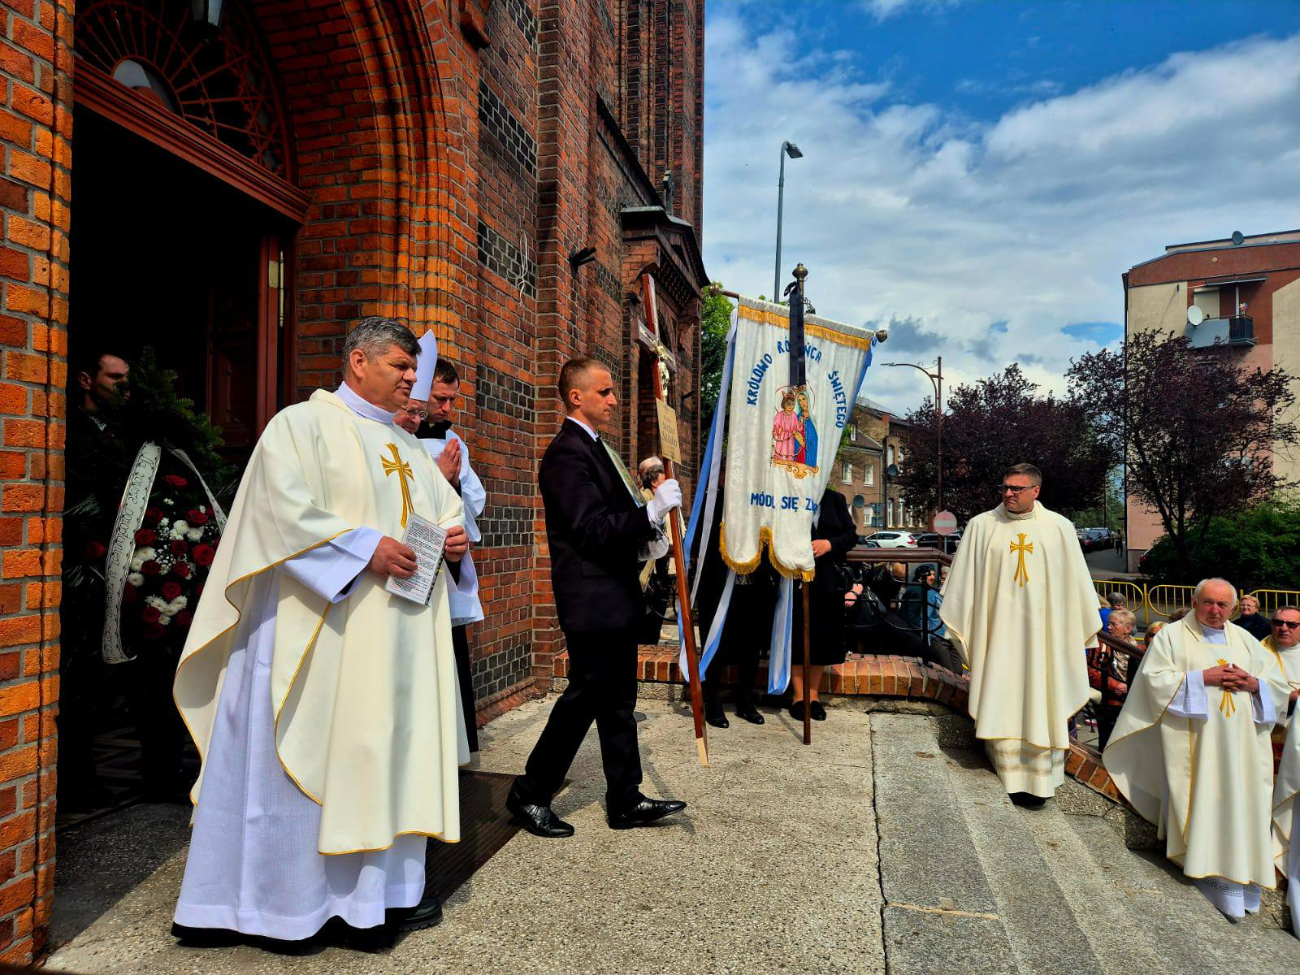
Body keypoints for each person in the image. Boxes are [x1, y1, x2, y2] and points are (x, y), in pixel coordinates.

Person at [172, 318, 470, 945]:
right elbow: (278, 511)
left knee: (381, 757)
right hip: (316, 630)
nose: (411, 379)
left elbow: (444, 513)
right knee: (307, 756)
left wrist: (454, 540)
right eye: (400, 367)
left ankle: (378, 900)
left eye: (413, 369)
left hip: (394, 641)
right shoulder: (300, 425)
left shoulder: (409, 447)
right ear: (358, 361)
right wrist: (364, 549)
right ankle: (279, 907)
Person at [506, 359, 686, 837]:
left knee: (617, 700)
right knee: (585, 697)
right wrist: (651, 512)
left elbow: (615, 521)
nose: (613, 399)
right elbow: (591, 529)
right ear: (576, 396)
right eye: (604, 391)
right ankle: (529, 792)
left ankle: (625, 798)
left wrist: (646, 534)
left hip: (614, 594)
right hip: (590, 598)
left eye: (612, 391)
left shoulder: (599, 448)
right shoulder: (567, 454)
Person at [1105, 578, 1286, 920]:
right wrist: (1203, 678)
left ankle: (1243, 884)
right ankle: (1205, 869)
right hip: (1196, 745)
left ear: (1233, 608)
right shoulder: (1172, 637)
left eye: (1223, 605)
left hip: (1243, 748)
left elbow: (1276, 686)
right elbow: (1153, 682)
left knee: (1243, 805)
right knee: (1204, 799)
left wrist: (1253, 684)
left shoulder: (1246, 640)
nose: (1215, 611)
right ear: (1194, 601)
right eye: (1208, 603)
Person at [939, 463, 1100, 807]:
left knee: (1043, 697)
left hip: (1045, 638)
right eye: (1005, 487)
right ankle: (1007, 773)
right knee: (1003, 694)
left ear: (1035, 491)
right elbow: (962, 586)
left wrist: (1071, 633)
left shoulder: (1059, 528)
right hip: (997, 635)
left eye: (1017, 488)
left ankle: (1040, 781)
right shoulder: (982, 526)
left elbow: (1076, 589)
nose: (1009, 493)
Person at [398, 353, 488, 755]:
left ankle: (453, 743)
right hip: (401, 559)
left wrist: (452, 484)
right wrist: (439, 480)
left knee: (448, 651)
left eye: (452, 400)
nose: (447, 409)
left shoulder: (454, 442)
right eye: (440, 399)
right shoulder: (391, 435)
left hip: (442, 562)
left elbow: (476, 502)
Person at [789, 487, 855, 722]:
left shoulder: (835, 499)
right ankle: (798, 697)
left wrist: (829, 544)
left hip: (827, 580)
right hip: (793, 577)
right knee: (797, 635)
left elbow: (851, 536)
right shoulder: (789, 495)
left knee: (820, 638)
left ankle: (813, 696)